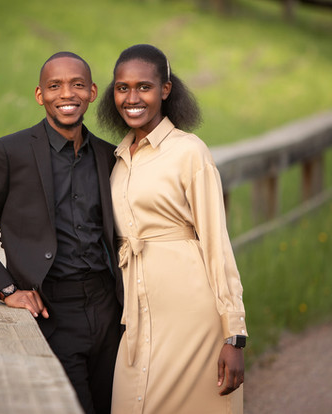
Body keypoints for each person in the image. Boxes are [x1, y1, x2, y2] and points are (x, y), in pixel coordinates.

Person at [0, 52, 122, 414]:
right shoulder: (9, 153)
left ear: (91, 92)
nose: (66, 94)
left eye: (77, 84)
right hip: (53, 313)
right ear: (40, 95)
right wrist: (6, 289)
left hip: (110, 311)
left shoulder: (110, 156)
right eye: (54, 86)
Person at [97, 44, 248, 413]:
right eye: (122, 88)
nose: (132, 98)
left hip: (191, 315)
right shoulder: (116, 159)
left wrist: (235, 334)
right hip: (136, 314)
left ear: (165, 90)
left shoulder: (189, 151)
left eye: (144, 87)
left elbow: (216, 243)